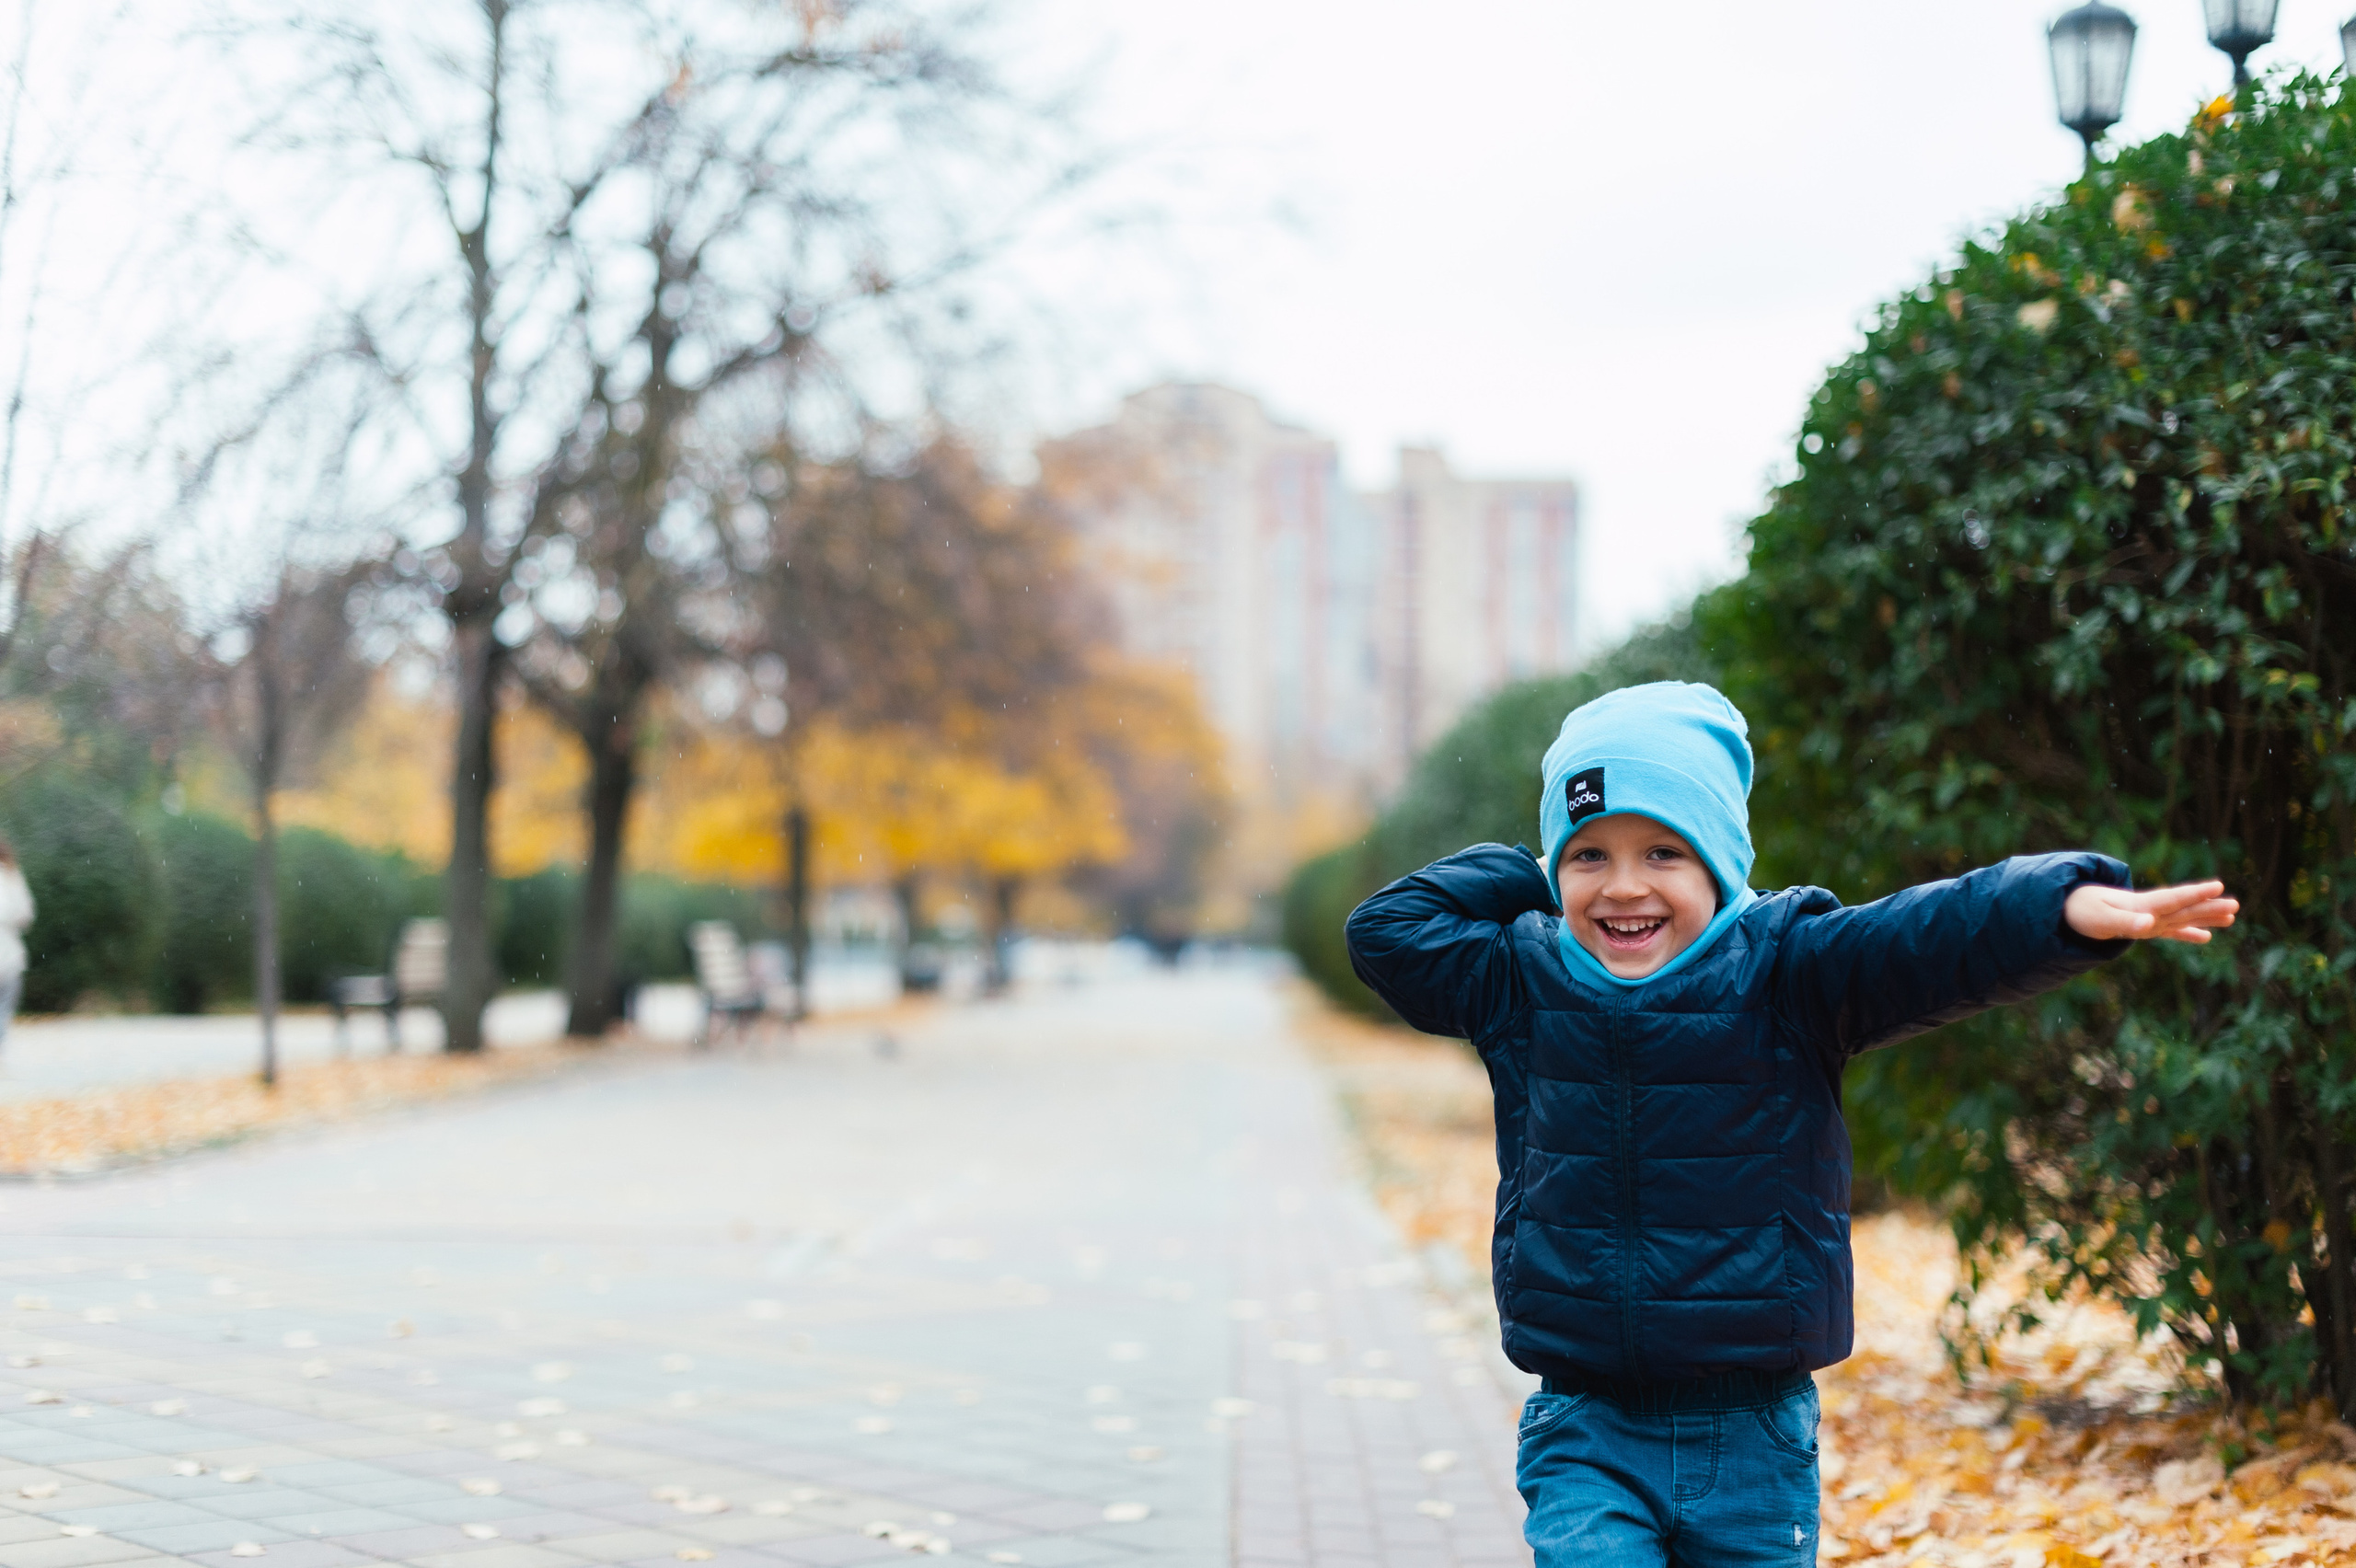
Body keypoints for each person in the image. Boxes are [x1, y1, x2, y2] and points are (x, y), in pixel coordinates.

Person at [1344, 681, 2235, 1568]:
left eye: (1663, 852)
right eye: (1588, 856)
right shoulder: (1520, 981)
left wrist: (2055, 909)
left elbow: (1929, 939)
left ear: (1720, 862)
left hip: (1755, 1436)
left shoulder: (1789, 970)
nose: (1622, 888)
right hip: (1586, 1427)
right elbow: (1385, 932)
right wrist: (1528, 866)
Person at [0, 838, 32, 1053]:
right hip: (8, 954)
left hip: (7, 952)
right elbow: (25, 915)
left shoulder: (11, 876)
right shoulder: (11, 876)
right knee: (4, 1007)